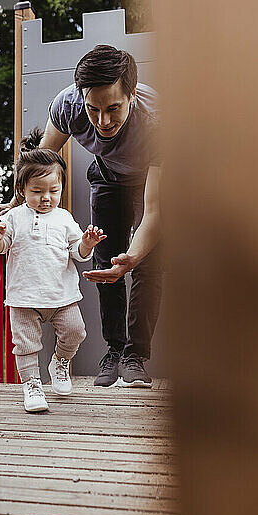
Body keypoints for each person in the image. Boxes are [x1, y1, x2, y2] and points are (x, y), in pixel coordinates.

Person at [38, 44, 163, 388]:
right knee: (106, 261)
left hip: (148, 181)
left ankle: (135, 356)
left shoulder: (157, 121)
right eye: (94, 110)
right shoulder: (69, 106)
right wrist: (17, 201)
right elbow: (43, 159)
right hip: (108, 177)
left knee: (148, 263)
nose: (103, 121)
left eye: (113, 108)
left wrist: (134, 257)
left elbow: (154, 211)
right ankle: (114, 349)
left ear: (132, 94)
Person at [0, 130, 106, 412]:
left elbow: (77, 253)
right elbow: (0, 248)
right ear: (22, 190)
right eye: (37, 192)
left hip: (62, 296)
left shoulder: (64, 218)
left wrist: (87, 244)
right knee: (26, 344)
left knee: (76, 331)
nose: (46, 198)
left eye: (54, 191)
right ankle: (32, 385)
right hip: (24, 297)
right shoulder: (13, 217)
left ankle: (60, 362)